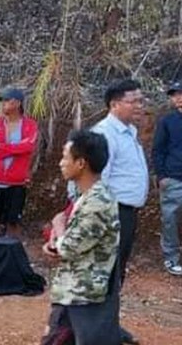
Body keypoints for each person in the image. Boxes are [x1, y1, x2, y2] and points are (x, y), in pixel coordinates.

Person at [41, 130, 121, 345]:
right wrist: (54, 241)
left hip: (83, 296)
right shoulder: (86, 196)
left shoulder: (97, 203)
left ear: (81, 163)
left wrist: (58, 227)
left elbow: (67, 247)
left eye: (65, 157)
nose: (60, 163)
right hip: (73, 290)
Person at [90, 79, 147, 345]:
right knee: (106, 270)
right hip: (111, 212)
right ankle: (96, 329)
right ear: (114, 104)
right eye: (133, 101)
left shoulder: (128, 131)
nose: (139, 105)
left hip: (126, 213)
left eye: (140, 100)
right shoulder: (105, 134)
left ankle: (108, 325)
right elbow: (97, 180)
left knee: (116, 271)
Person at [0, 87, 38, 237]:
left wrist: (1, 147)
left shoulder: (29, 125)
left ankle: (11, 257)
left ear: (17, 103)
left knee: (13, 223)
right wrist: (13, 149)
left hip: (16, 182)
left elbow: (27, 147)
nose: (3, 104)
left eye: (6, 100)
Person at [152, 81, 182, 276]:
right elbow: (158, 150)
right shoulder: (167, 121)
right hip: (173, 177)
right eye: (174, 95)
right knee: (170, 219)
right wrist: (162, 175)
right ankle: (171, 258)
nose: (178, 98)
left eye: (180, 94)